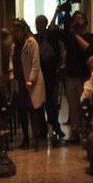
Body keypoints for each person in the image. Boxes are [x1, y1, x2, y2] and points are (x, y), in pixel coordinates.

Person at [60, 10, 93, 143]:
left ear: (85, 21)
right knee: (73, 105)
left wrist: (76, 35)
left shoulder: (92, 36)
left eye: (80, 18)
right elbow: (53, 31)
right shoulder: (69, 36)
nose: (77, 21)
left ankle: (85, 131)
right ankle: (75, 132)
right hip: (71, 75)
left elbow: (88, 49)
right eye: (75, 18)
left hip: (85, 75)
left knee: (86, 104)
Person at [10, 19, 45, 151]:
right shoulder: (14, 45)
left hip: (30, 81)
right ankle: (25, 137)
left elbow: (35, 63)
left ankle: (35, 139)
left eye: (19, 30)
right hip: (19, 81)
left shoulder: (31, 43)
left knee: (33, 110)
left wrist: (31, 80)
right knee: (22, 111)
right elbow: (11, 60)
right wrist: (11, 73)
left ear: (24, 30)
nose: (17, 33)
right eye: (15, 30)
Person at [35, 14, 64, 141]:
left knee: (51, 103)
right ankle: (42, 128)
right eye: (37, 24)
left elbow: (58, 54)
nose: (39, 26)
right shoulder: (35, 39)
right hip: (39, 75)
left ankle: (55, 126)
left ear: (45, 24)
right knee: (39, 103)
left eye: (41, 24)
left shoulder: (53, 37)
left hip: (51, 75)